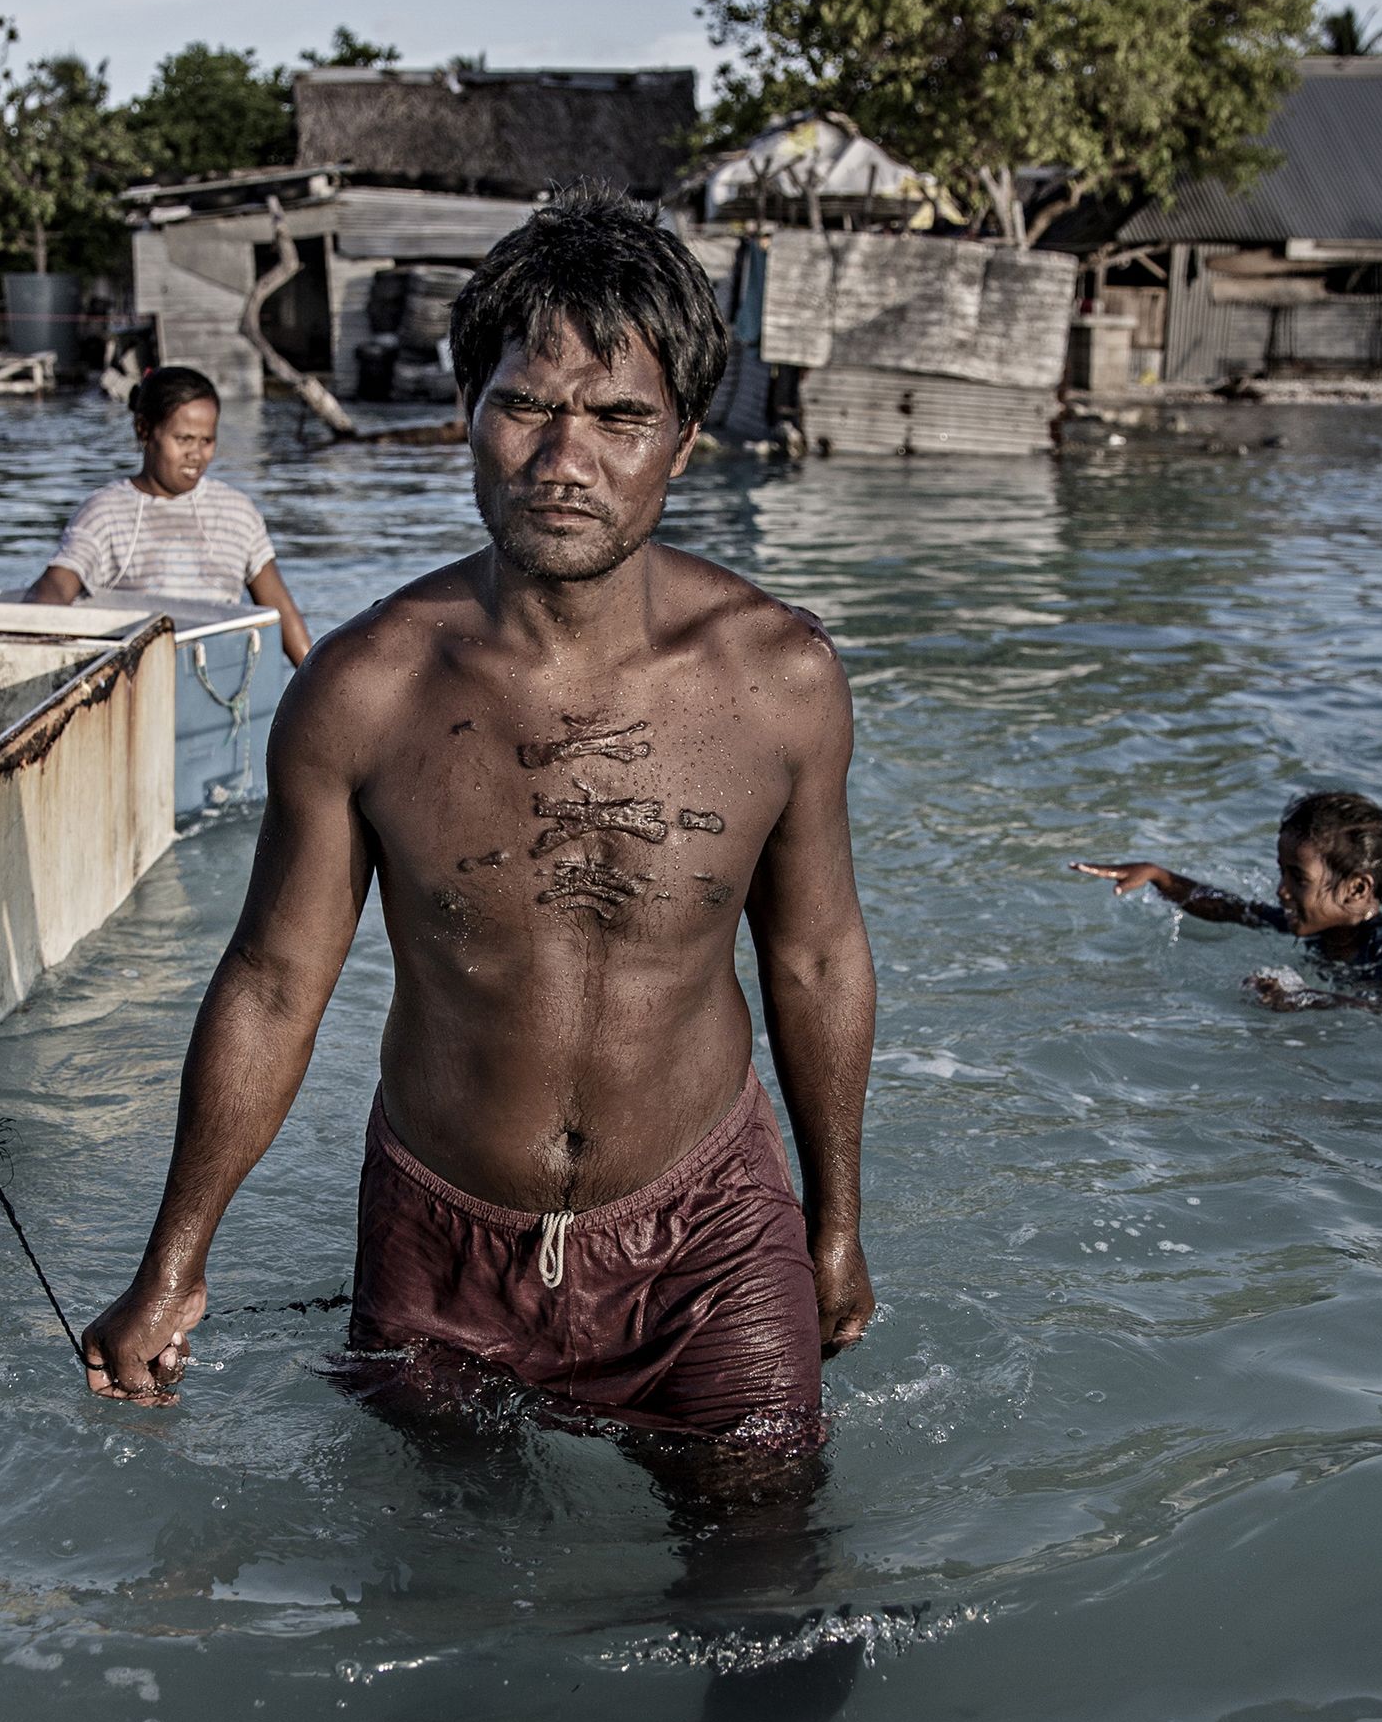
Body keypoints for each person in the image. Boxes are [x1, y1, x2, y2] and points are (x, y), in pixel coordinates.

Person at [78, 188, 878, 1510]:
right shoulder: (366, 689)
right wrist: (173, 1260)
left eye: (619, 417)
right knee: (441, 1607)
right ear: (470, 416)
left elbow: (816, 952)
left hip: (710, 1232)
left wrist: (835, 1223)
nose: (564, 457)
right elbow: (276, 986)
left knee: (767, 1593)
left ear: (682, 441)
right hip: (438, 1235)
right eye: (526, 407)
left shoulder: (780, 678)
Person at [1074, 789, 1382, 1007]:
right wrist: (1160, 876)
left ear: (1358, 889)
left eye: (1298, 878)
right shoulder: (1320, 929)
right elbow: (1232, 910)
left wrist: (1309, 999)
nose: (1281, 890)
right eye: (1281, 871)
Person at [25, 366, 310, 665]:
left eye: (206, 441)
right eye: (184, 439)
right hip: (133, 681)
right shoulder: (105, 513)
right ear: (144, 430)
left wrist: (312, 673)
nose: (196, 454)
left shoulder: (237, 513)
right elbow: (56, 586)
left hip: (218, 677)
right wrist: (34, 635)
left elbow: (280, 610)